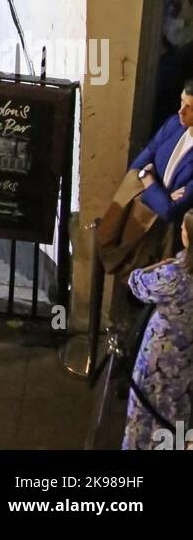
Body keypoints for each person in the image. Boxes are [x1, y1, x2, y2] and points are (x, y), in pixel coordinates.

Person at [122, 209, 193, 449]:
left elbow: (137, 284)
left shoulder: (175, 276)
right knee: (176, 413)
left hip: (161, 357)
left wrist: (155, 267)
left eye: (184, 229)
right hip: (188, 360)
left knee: (146, 413)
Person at [130, 79, 193, 239]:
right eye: (181, 102)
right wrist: (164, 197)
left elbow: (169, 211)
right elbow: (135, 168)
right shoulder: (174, 125)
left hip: (172, 238)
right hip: (141, 223)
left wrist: (147, 179)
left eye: (189, 108)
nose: (181, 111)